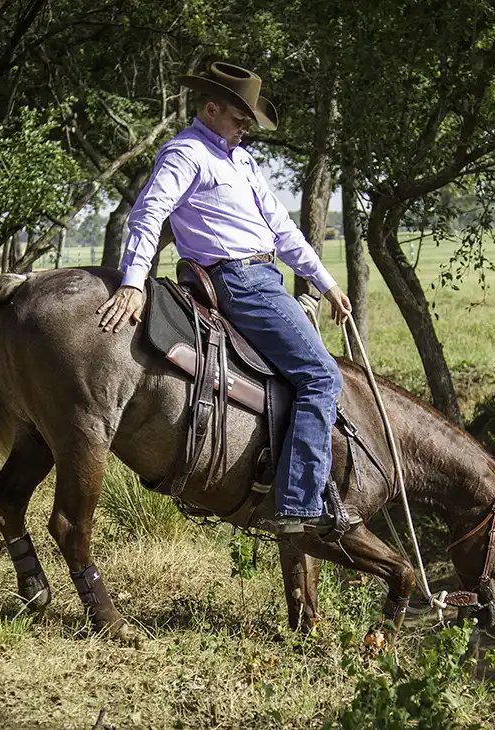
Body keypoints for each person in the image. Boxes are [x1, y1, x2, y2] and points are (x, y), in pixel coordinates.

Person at [97, 62, 352, 536]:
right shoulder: (186, 153)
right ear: (211, 109)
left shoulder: (243, 162)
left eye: (249, 122)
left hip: (265, 276)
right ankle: (298, 504)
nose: (245, 129)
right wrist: (133, 281)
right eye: (239, 119)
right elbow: (149, 213)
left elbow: (283, 229)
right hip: (240, 281)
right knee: (321, 376)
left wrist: (326, 283)